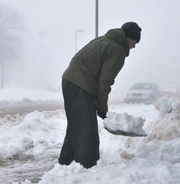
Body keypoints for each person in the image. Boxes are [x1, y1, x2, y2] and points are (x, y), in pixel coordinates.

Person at [58, 21, 141, 168]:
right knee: (87, 130)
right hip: (80, 85)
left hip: (70, 81)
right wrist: (102, 109)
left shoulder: (104, 40)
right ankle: (88, 167)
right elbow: (105, 82)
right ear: (128, 38)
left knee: (76, 126)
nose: (134, 47)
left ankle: (66, 163)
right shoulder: (117, 50)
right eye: (134, 42)